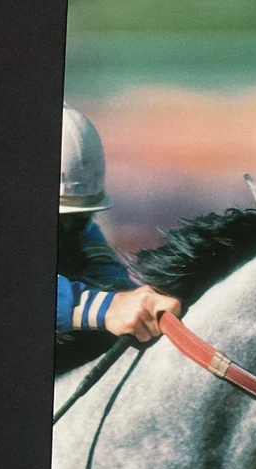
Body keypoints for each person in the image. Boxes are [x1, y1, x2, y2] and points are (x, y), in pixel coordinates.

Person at [55, 102, 180, 372]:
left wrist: (130, 300)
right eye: (59, 221)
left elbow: (107, 278)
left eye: (75, 220)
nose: (68, 229)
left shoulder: (78, 226)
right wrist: (104, 307)